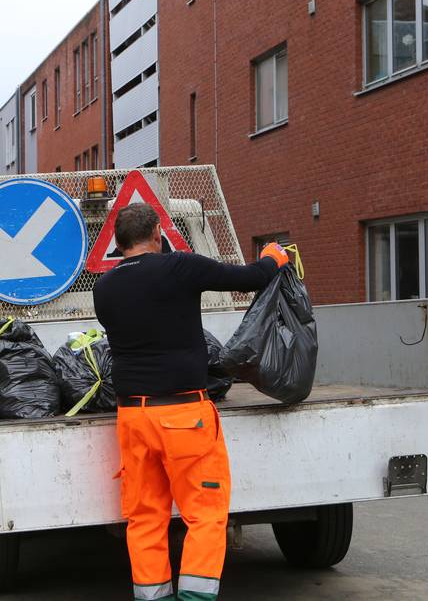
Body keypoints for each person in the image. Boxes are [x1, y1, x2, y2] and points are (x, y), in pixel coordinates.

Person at [93, 204, 288, 601]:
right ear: (157, 234)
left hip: (133, 417)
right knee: (205, 514)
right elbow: (249, 278)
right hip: (183, 416)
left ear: (118, 243)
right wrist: (273, 257)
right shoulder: (180, 267)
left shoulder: (104, 288)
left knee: (145, 518)